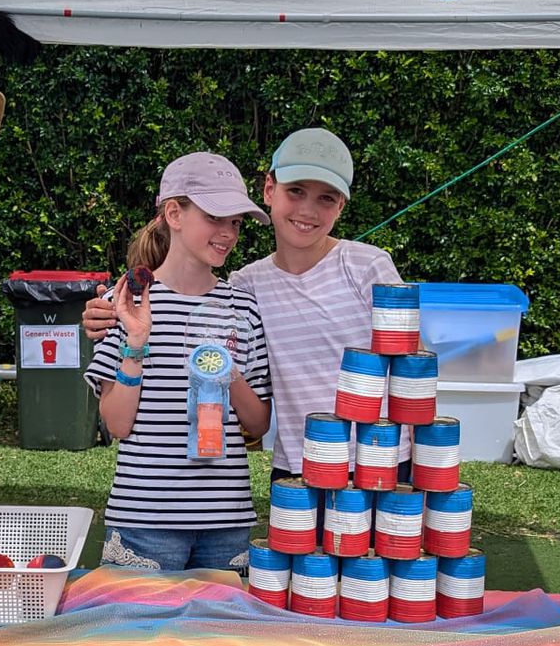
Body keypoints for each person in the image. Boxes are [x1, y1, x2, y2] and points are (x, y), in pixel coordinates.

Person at [84, 128, 400, 484]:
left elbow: (410, 363)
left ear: (341, 206)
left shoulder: (366, 265)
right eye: (296, 191)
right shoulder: (246, 285)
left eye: (327, 198)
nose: (308, 209)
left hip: (381, 459)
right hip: (299, 464)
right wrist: (106, 314)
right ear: (269, 190)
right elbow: (185, 301)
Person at [84, 152, 272, 573]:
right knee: (139, 620)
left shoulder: (244, 308)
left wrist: (226, 369)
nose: (228, 233)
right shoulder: (124, 303)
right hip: (143, 520)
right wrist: (136, 342)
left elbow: (258, 423)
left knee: (220, 621)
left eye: (235, 223)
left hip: (227, 522)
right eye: (215, 217)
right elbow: (117, 424)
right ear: (174, 214)